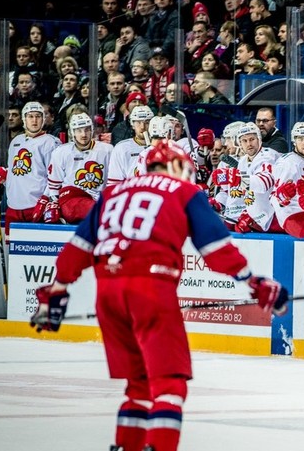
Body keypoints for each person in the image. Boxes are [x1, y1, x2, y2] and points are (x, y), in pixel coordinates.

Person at [28, 141, 288, 451]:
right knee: (169, 383)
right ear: (176, 166)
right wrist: (253, 282)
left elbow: (78, 247)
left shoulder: (114, 192)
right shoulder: (184, 191)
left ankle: (127, 445)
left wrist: (57, 290)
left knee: (138, 384)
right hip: (151, 289)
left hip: (108, 293)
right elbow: (215, 247)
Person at [0, 101, 61, 230]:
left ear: (43, 119)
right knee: (11, 248)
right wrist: (1, 175)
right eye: (30, 116)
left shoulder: (51, 142)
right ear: (24, 119)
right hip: (13, 207)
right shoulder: (16, 141)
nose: (34, 120)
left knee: (34, 247)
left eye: (38, 116)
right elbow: (17, 172)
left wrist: (46, 199)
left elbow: (56, 176)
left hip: (36, 206)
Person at [44, 113, 114, 224]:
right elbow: (53, 186)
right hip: (72, 199)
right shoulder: (61, 152)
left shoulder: (108, 150)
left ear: (92, 130)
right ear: (72, 132)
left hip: (98, 199)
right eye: (78, 130)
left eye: (87, 130)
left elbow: (114, 182)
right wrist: (54, 203)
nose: (83, 134)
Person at [230, 123, 284, 233]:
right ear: (240, 143)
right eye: (244, 141)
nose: (249, 144)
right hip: (263, 216)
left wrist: (239, 180)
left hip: (278, 215)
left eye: (252, 139)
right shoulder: (243, 161)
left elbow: (264, 183)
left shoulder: (268, 156)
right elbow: (242, 193)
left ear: (259, 139)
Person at [107, 105, 155, 185]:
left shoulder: (160, 147)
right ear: (132, 124)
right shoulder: (121, 148)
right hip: (131, 195)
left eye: (147, 122)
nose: (142, 127)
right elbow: (114, 183)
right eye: (138, 122)